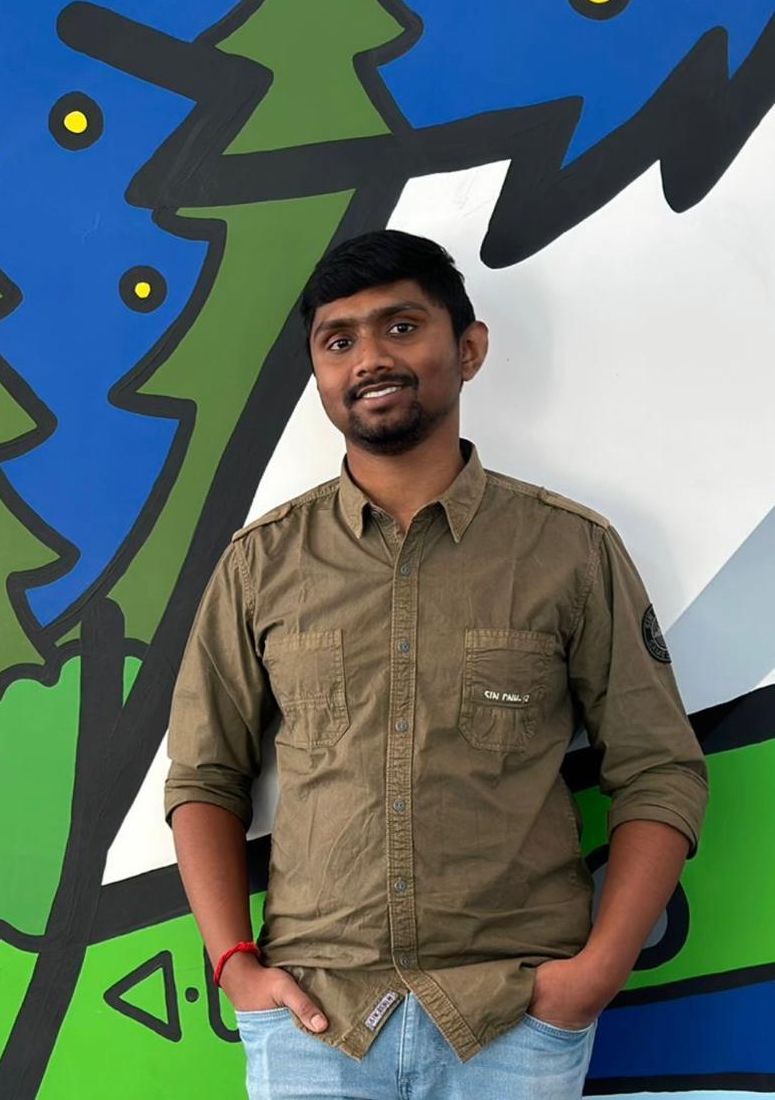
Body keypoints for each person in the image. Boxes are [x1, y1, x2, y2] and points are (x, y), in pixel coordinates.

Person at [164, 229, 709, 1100]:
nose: (368, 359)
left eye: (400, 326)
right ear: (318, 375)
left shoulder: (568, 552)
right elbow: (203, 775)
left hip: (512, 1018)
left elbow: (659, 769)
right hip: (316, 1021)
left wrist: (595, 974)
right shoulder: (260, 564)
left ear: (469, 349)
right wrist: (234, 965)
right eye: (338, 340)